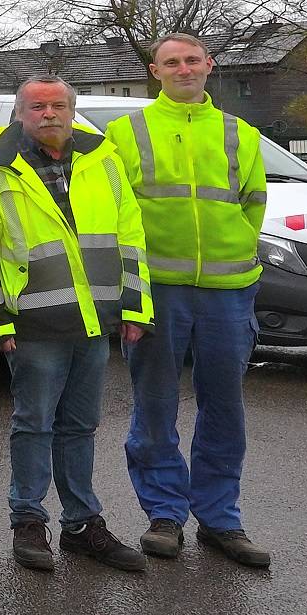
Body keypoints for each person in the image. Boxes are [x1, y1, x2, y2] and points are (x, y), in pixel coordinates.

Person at [0, 77, 151, 573]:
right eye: (36, 106)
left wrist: (135, 309)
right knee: (32, 425)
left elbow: (130, 235)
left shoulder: (102, 159)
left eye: (57, 105)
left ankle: (82, 524)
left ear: (71, 110)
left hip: (94, 320)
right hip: (32, 324)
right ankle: (28, 523)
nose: (48, 114)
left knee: (80, 427)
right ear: (18, 114)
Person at [105, 34, 272, 568]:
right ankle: (165, 515)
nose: (183, 69)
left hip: (228, 289)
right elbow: (113, 210)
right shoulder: (125, 131)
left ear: (209, 65)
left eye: (192, 60)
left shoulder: (239, 132)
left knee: (225, 407)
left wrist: (236, 254)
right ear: (155, 71)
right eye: (171, 63)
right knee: (154, 405)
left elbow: (253, 203)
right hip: (158, 291)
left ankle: (221, 519)